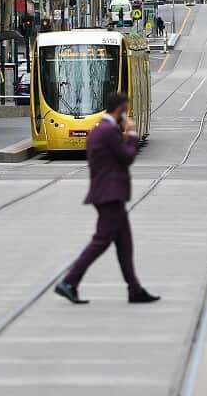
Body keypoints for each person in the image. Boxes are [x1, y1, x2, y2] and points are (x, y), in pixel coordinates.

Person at [54, 91, 160, 305]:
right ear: (120, 110)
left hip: (107, 194)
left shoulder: (98, 130)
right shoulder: (108, 131)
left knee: (124, 244)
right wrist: (131, 134)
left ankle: (134, 289)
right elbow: (127, 157)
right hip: (109, 195)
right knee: (101, 241)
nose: (128, 115)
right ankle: (69, 282)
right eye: (126, 110)